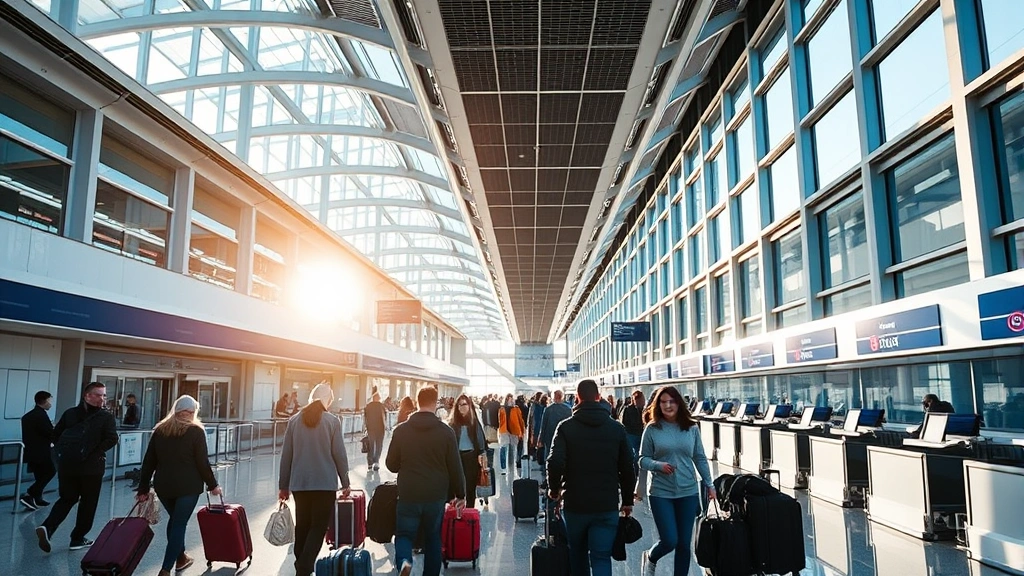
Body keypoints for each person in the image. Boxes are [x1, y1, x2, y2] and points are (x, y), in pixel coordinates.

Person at [547, 379, 635, 576]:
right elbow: (628, 468)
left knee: (577, 554)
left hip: (576, 504)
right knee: (601, 556)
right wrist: (627, 500)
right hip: (606, 504)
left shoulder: (565, 427)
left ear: (577, 398)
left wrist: (554, 489)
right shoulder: (616, 428)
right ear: (598, 397)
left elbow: (555, 462)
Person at [135, 395, 221, 576]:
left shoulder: (160, 430)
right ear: (190, 412)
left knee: (175, 521)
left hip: (164, 486)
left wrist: (143, 488)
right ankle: (166, 569)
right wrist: (213, 485)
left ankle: (181, 558)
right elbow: (202, 463)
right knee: (179, 523)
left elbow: (149, 462)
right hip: (188, 487)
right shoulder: (196, 431)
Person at [386, 386, 466, 576]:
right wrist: (461, 494)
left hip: (408, 493)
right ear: (436, 402)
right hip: (435, 494)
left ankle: (405, 561)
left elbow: (391, 465)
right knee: (433, 538)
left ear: (417, 401)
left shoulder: (401, 430)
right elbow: (455, 466)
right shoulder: (446, 432)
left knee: (404, 534)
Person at [639, 386, 716, 576]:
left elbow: (699, 457)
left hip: (688, 491)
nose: (668, 405)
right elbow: (642, 459)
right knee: (670, 540)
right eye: (663, 402)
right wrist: (658, 465)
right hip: (660, 492)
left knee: (683, 543)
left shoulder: (691, 427)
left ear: (678, 403)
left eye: (671, 401)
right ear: (658, 405)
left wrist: (710, 484)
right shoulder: (652, 428)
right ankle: (651, 556)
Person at [278, 383, 352, 576]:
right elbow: (339, 455)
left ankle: (300, 564)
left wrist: (283, 486)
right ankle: (304, 566)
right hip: (325, 484)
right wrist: (345, 481)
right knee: (318, 527)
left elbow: (286, 456)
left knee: (302, 525)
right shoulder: (332, 421)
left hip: (300, 484)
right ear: (327, 400)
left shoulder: (294, 421)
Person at [36, 382, 118, 553]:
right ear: (87, 396)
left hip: (67, 465)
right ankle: (77, 538)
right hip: (92, 467)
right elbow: (112, 438)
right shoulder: (105, 417)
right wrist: (96, 451)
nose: (102, 398)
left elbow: (55, 435)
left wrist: (64, 454)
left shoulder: (70, 413)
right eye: (98, 395)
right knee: (88, 502)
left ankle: (48, 527)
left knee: (67, 498)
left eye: (104, 395)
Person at [446, 393, 487, 509]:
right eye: (459, 405)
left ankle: (469, 511)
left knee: (470, 486)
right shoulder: (452, 424)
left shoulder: (474, 422)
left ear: (469, 405)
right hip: (456, 457)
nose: (461, 407)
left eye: (464, 404)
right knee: (456, 485)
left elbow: (480, 440)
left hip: (471, 457)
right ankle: (455, 512)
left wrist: (482, 453)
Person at [21, 390, 55, 511]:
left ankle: (37, 497)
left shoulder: (29, 416)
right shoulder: (40, 416)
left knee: (40, 474)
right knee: (50, 471)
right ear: (44, 401)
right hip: (41, 450)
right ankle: (31, 493)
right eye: (49, 401)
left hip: (31, 450)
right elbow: (49, 433)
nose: (50, 404)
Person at [538, 390, 572, 478]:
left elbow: (543, 425)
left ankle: (547, 477)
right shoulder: (568, 409)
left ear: (553, 397)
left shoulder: (548, 409)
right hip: (565, 437)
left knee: (549, 457)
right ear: (562, 397)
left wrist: (540, 439)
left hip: (549, 437)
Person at [497, 394, 525, 475]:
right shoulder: (502, 409)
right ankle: (503, 468)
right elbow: (500, 420)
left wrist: (521, 432)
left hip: (514, 431)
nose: (511, 401)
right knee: (503, 448)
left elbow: (520, 421)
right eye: (509, 399)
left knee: (513, 449)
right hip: (504, 430)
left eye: (512, 399)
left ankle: (512, 465)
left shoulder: (516, 409)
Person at [620, 390, 645, 480]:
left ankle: (638, 472)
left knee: (640, 454)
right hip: (632, 435)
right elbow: (624, 423)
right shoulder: (628, 409)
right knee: (636, 455)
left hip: (641, 434)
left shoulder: (644, 409)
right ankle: (636, 472)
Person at [364, 392, 387, 471]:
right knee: (379, 445)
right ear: (379, 398)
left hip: (370, 428)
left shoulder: (368, 406)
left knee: (371, 445)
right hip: (380, 428)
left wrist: (366, 428)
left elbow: (365, 417)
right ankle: (376, 462)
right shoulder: (381, 406)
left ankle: (370, 463)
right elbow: (384, 417)